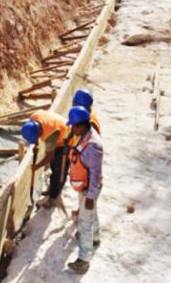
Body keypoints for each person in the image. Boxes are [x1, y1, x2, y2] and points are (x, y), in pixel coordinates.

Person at [66, 106, 103, 274]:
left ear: (81, 125)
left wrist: (90, 196)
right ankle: (95, 238)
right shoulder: (84, 136)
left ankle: (84, 260)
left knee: (84, 221)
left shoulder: (93, 146)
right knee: (91, 213)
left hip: (90, 189)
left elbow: (95, 172)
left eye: (73, 126)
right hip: (86, 186)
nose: (72, 129)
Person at [20, 110, 70, 208]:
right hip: (59, 127)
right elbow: (36, 134)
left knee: (58, 170)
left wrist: (37, 166)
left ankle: (53, 197)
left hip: (67, 140)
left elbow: (49, 157)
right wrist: (36, 143)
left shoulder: (50, 135)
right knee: (54, 166)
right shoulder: (34, 117)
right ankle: (52, 188)